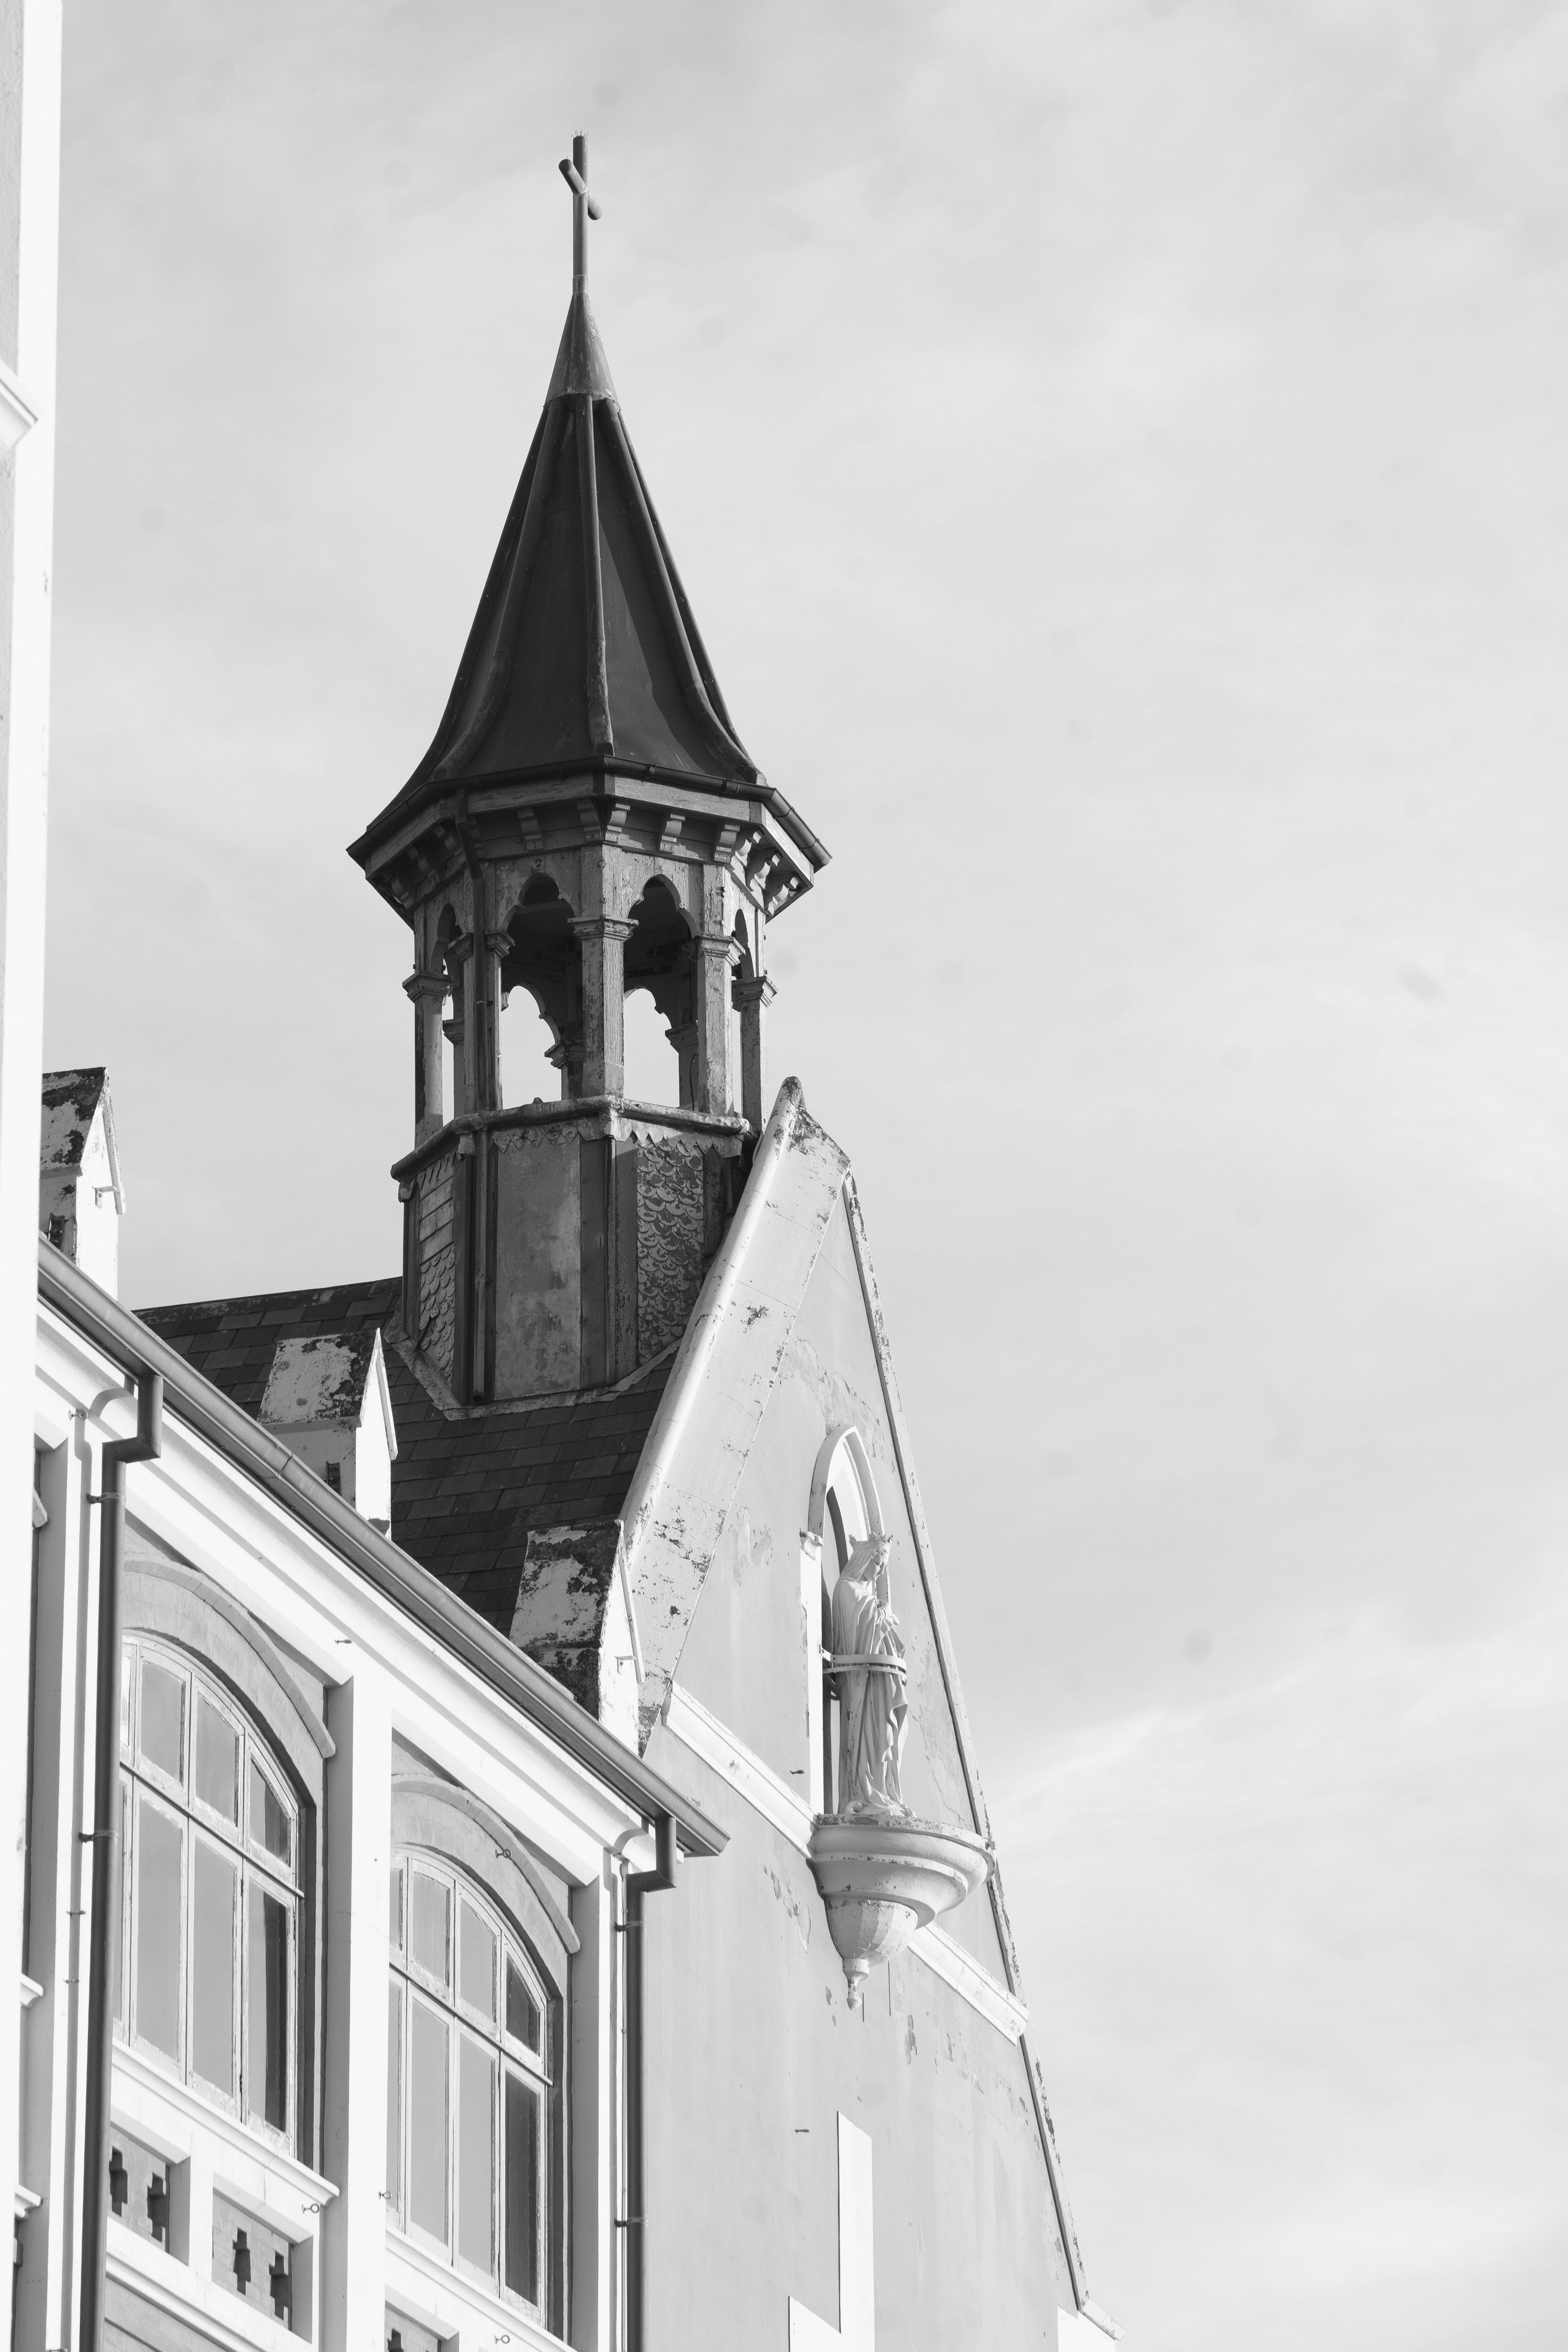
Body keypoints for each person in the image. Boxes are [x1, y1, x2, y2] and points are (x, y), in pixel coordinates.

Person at [828, 1535, 910, 1817]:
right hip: (862, 1686)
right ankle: (865, 1793)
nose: (880, 1571)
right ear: (865, 1560)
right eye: (878, 1563)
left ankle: (883, 1792)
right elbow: (863, 1635)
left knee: (888, 1736)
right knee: (872, 1738)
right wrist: (885, 1615)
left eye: (883, 1565)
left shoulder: (866, 1597)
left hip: (881, 1684)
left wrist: (882, 1614)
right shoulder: (846, 1590)